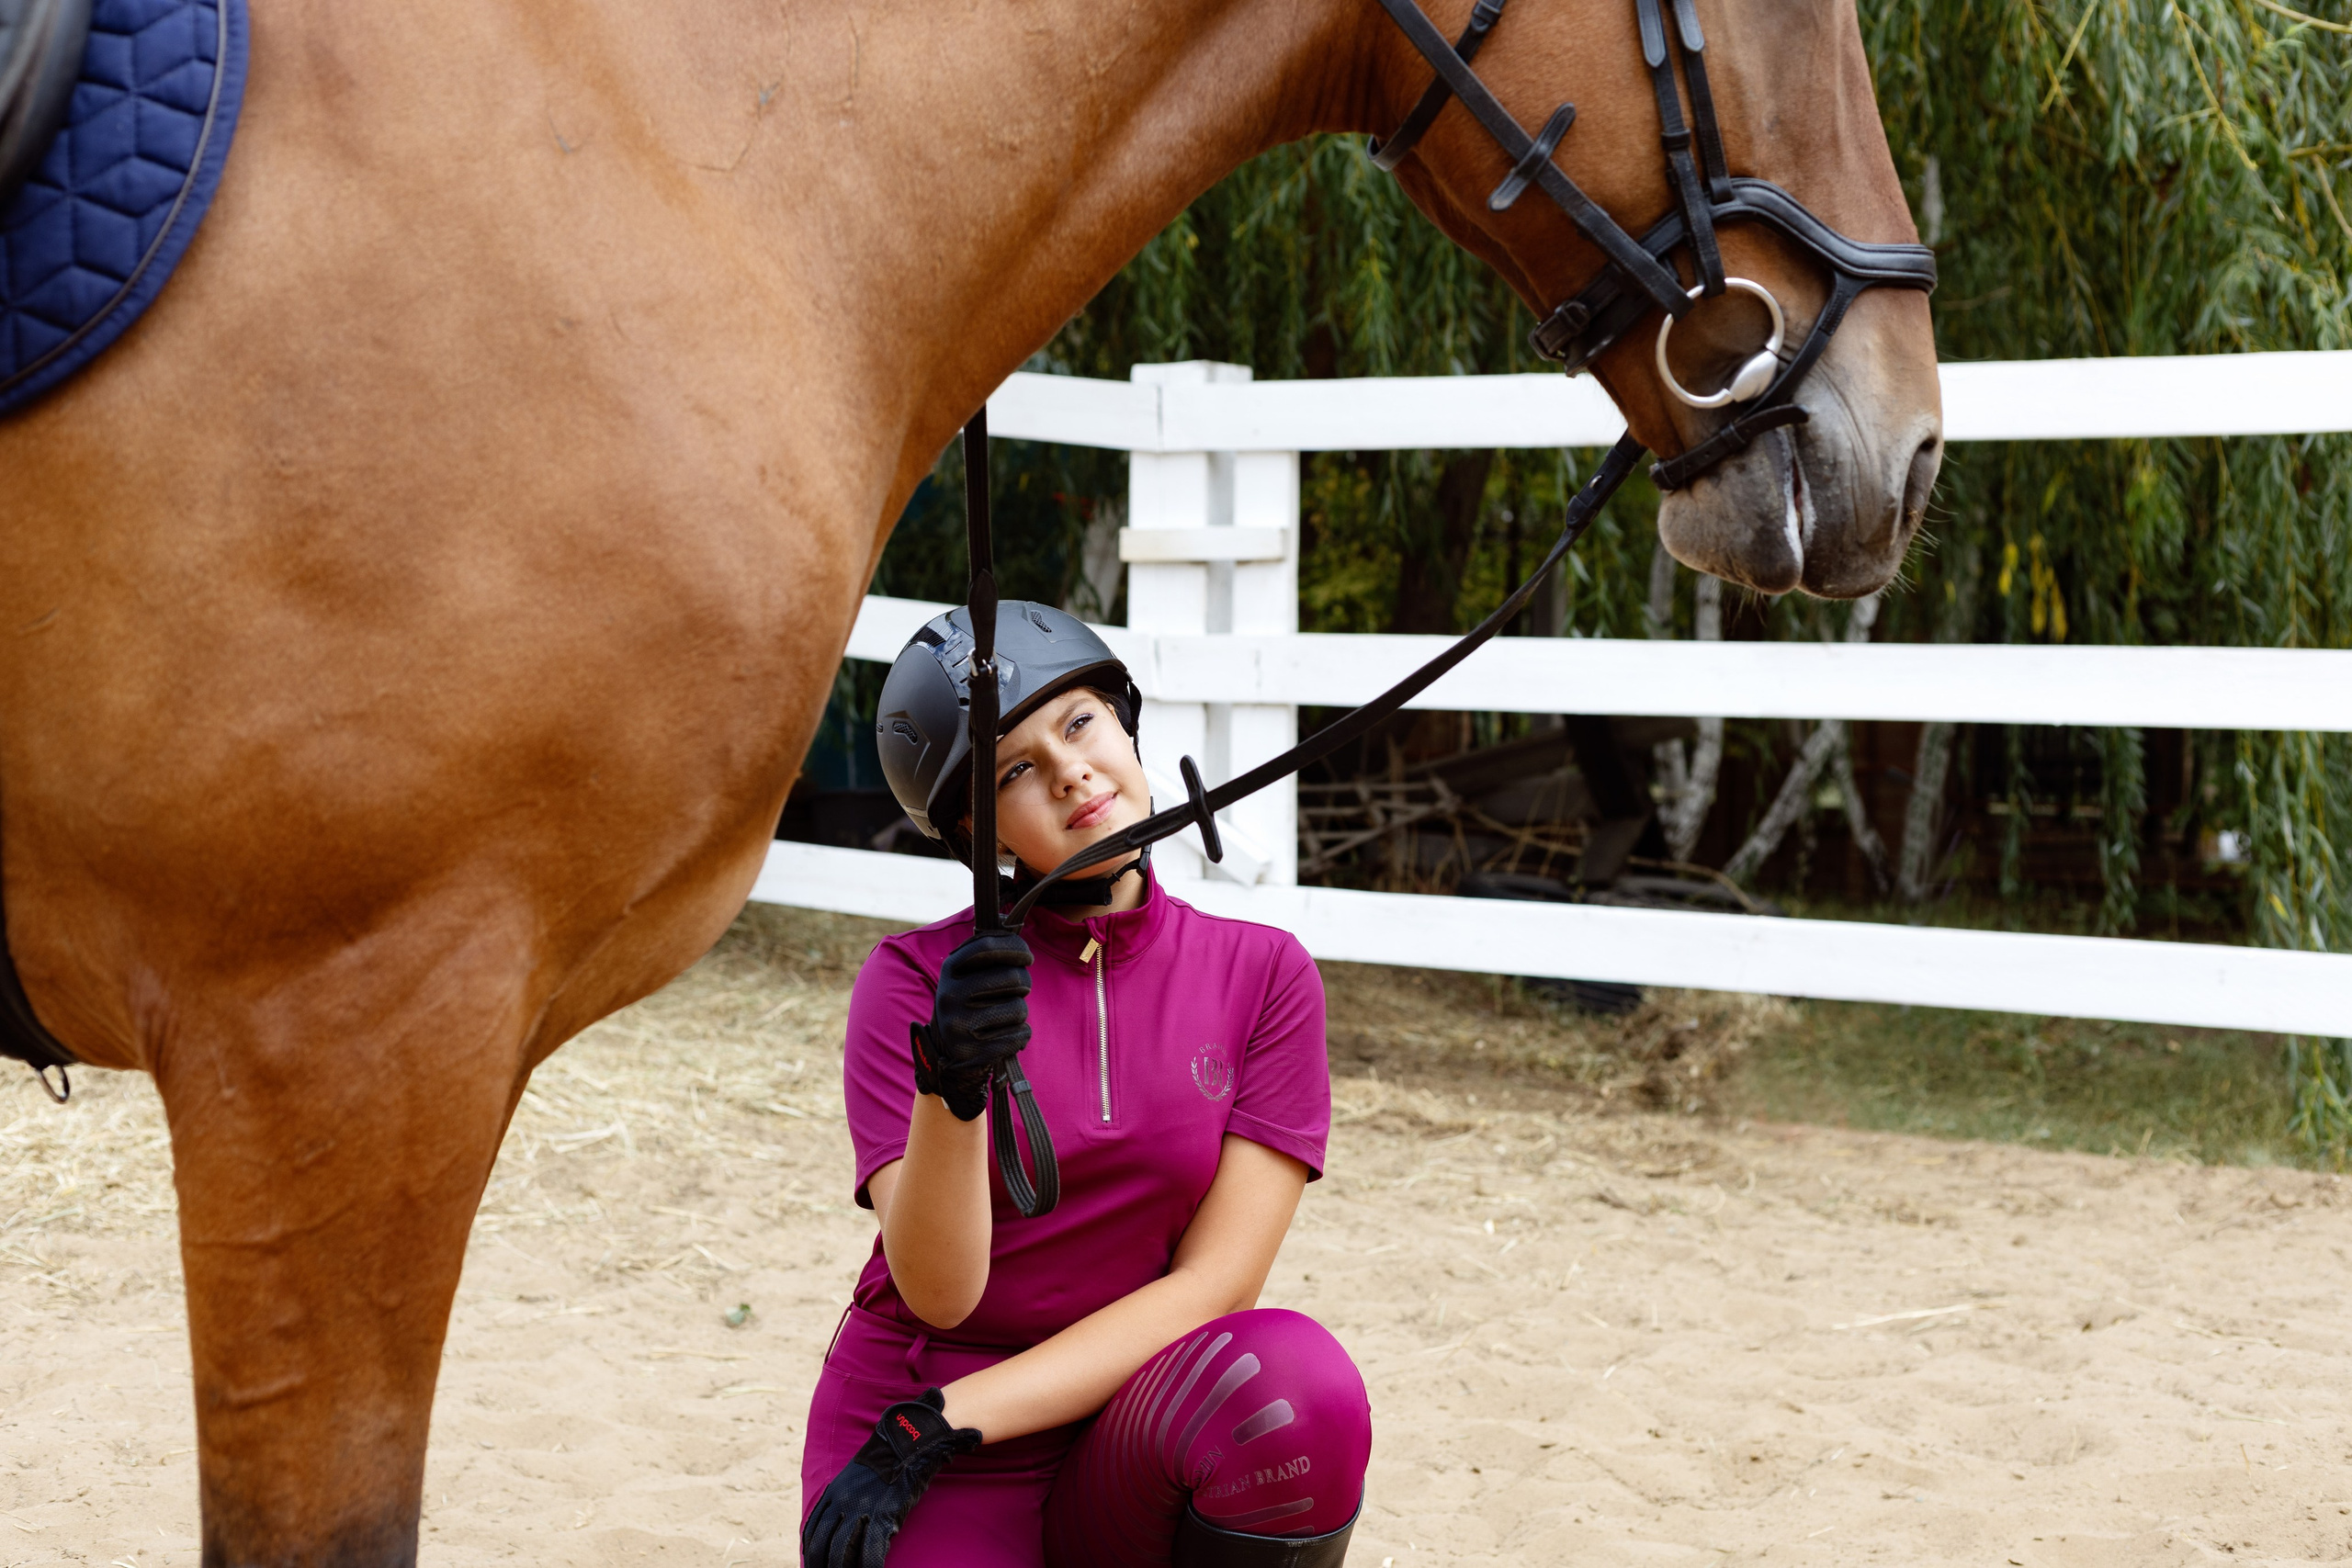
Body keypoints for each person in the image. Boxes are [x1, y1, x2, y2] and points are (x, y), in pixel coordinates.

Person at [797, 603, 1370, 1568]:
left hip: (1128, 1424)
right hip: (920, 1438)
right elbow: (938, 1293)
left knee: (1298, 1390)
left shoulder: (1265, 976)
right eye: (1015, 769)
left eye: (1079, 724)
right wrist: (955, 1086)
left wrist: (945, 1418)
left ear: (1124, 723)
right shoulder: (907, 984)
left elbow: (1215, 1283)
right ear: (977, 830)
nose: (1070, 771)